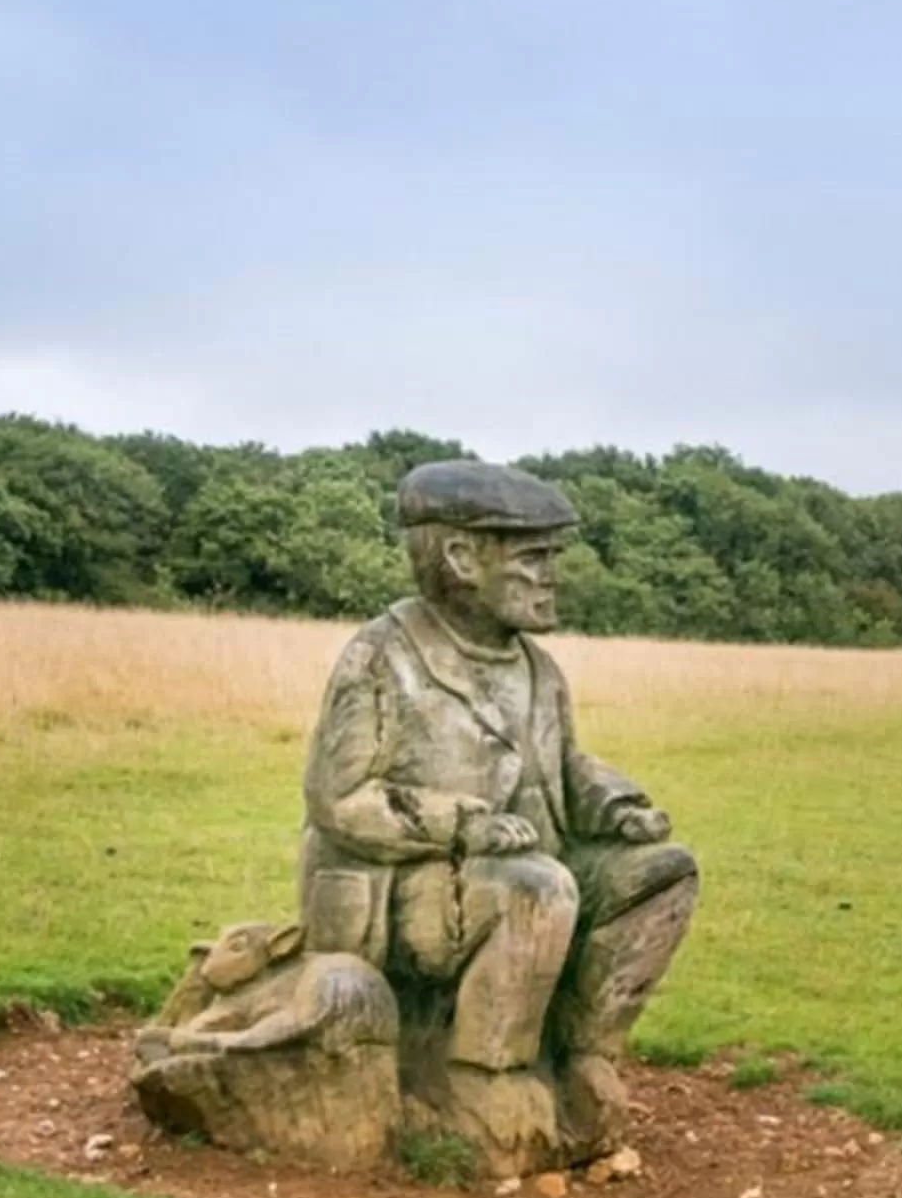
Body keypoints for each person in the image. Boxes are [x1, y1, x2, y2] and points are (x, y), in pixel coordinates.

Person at [298, 459, 697, 1153]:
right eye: (534, 558)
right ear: (460, 558)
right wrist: (466, 824)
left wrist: (618, 805)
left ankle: (581, 1054)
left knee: (663, 874)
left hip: (516, 875)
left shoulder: (537, 668)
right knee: (536, 889)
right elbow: (340, 799)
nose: (551, 576)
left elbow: (563, 767)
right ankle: (486, 1075)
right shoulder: (382, 657)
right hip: (396, 887)